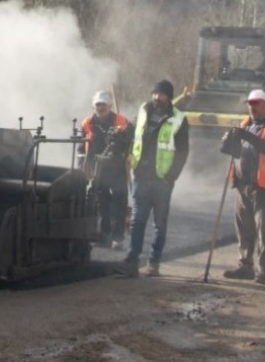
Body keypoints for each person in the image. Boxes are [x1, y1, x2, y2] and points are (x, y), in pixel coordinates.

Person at [219, 88, 265, 285]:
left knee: (263, 230)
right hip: (243, 185)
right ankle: (245, 266)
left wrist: (243, 135)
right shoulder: (245, 125)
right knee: (244, 228)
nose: (252, 107)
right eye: (250, 103)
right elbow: (236, 152)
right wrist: (227, 144)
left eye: (256, 103)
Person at [122, 80, 189, 277]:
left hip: (162, 180)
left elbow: (183, 152)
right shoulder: (143, 111)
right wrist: (125, 138)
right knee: (137, 221)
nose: (156, 97)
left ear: (169, 96)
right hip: (141, 176)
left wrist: (171, 177)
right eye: (154, 93)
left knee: (159, 224)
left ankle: (154, 263)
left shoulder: (178, 119)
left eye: (161, 94)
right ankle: (131, 261)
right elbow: (132, 133)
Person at [81, 91, 132, 247]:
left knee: (120, 201)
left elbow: (131, 143)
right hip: (98, 167)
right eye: (98, 104)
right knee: (101, 202)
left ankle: (118, 237)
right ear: (93, 106)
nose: (101, 107)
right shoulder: (87, 123)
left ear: (110, 106)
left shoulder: (121, 121)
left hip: (118, 167)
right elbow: (82, 147)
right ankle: (104, 235)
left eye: (103, 104)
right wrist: (83, 168)